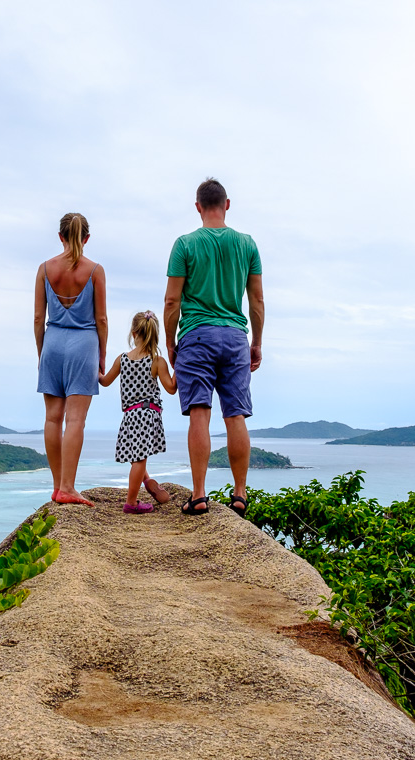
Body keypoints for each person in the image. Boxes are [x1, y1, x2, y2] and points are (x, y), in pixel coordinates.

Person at [163, 178, 264, 517]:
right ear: (227, 204)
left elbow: (172, 300)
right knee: (235, 415)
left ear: (197, 207)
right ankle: (239, 494)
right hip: (235, 336)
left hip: (196, 336)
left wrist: (170, 341)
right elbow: (257, 300)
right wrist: (257, 342)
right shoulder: (247, 245)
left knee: (200, 415)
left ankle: (199, 494)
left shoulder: (185, 245)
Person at [35, 212, 108, 507]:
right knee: (75, 419)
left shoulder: (44, 269)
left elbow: (39, 317)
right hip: (83, 345)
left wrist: (42, 353)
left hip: (52, 342)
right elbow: (101, 319)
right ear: (86, 238)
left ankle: (56, 487)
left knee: (52, 418)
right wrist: (102, 355)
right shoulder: (95, 271)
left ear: (61, 236)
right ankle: (68, 486)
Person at [99, 311, 177, 513]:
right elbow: (171, 388)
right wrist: (179, 366)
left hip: (130, 415)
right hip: (147, 413)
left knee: (136, 455)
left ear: (134, 333)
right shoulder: (157, 361)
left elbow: (105, 381)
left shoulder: (122, 359)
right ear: (155, 334)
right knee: (140, 459)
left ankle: (148, 480)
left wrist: (93, 367)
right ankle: (131, 503)